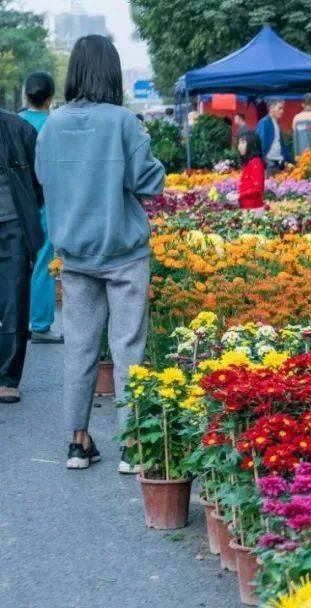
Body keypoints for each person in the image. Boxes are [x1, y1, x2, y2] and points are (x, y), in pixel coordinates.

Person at [35, 35, 165, 471]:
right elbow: (150, 183)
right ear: (111, 72)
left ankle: (78, 442)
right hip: (124, 252)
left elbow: (43, 181)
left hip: (74, 253)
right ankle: (133, 447)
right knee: (128, 347)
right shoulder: (122, 122)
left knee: (80, 348)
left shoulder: (52, 125)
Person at [0, 106, 44, 404]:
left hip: (12, 225)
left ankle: (7, 378)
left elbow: (38, 184)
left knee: (14, 300)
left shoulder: (20, 129)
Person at [18, 72, 62, 345]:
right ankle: (40, 324)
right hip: (46, 202)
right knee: (44, 261)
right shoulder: (56, 124)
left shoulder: (12, 122)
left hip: (13, 202)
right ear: (51, 97)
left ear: (25, 95)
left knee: (13, 261)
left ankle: (11, 321)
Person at [257, 98, 291, 176]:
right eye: (280, 108)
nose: (282, 111)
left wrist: (290, 160)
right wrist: (263, 161)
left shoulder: (276, 124)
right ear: (271, 108)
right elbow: (261, 142)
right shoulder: (264, 122)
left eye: (282, 109)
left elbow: (282, 145)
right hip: (269, 163)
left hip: (277, 162)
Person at [235, 132, 266, 210]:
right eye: (239, 143)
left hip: (253, 209)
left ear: (252, 145)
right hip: (246, 208)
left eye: (243, 142)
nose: (239, 146)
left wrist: (239, 195)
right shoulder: (249, 163)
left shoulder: (256, 162)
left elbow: (258, 189)